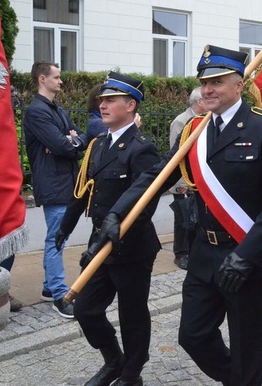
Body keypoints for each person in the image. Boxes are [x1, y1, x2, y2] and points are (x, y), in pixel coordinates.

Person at [105, 45, 262, 384]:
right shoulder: (195, 130)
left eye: (218, 82)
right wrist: (119, 213)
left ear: (240, 84)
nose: (208, 89)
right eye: (205, 82)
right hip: (204, 253)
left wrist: (247, 255)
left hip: (247, 257)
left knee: (246, 348)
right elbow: (157, 175)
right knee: (192, 335)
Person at [55, 72, 161, 386]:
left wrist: (117, 235)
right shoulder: (98, 144)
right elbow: (85, 187)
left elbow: (146, 201)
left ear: (130, 105)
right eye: (102, 99)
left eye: (111, 100)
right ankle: (114, 361)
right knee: (86, 309)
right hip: (98, 242)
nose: (102, 104)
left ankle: (132, 373)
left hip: (131, 247)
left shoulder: (142, 149)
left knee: (132, 314)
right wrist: (65, 226)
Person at [23, 61, 87, 318]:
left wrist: (70, 139)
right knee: (56, 239)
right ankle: (60, 294)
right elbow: (63, 146)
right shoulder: (37, 111)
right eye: (57, 77)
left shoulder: (55, 109)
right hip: (53, 182)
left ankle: (49, 288)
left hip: (64, 181)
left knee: (58, 237)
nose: (61, 81)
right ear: (42, 79)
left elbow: (80, 138)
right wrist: (67, 141)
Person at [168, 87, 205, 270]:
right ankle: (180, 253)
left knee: (194, 218)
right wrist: (181, 183)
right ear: (199, 102)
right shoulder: (181, 121)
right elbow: (176, 156)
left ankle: (192, 251)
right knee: (182, 219)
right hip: (184, 180)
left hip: (197, 180)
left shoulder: (203, 120)